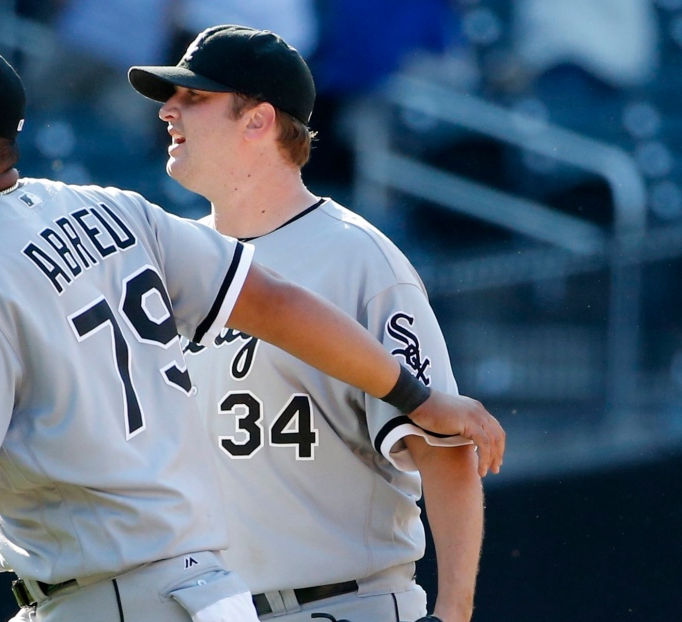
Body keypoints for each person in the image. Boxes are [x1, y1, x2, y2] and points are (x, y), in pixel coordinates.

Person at [0, 35, 503, 622]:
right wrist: (416, 394)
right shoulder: (115, 213)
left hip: (134, 599)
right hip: (210, 595)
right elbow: (272, 302)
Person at [128, 25, 489, 622]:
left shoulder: (356, 258)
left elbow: (445, 449)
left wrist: (453, 615)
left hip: (342, 604)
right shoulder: (175, 259)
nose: (169, 109)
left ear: (258, 120)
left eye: (194, 97)